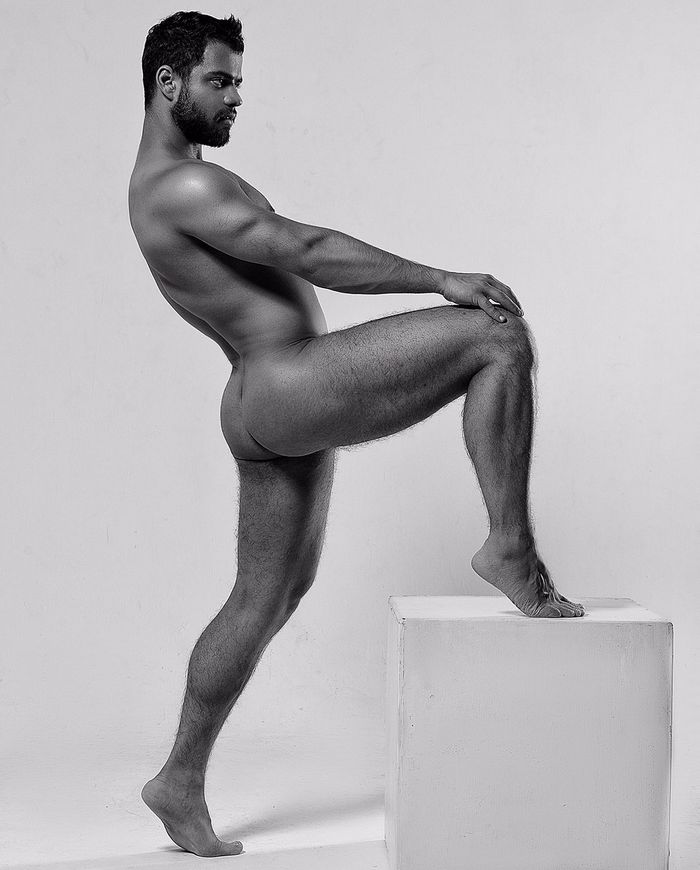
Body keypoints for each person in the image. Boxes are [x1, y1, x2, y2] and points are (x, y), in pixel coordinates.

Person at [129, 9, 585, 858]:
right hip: (285, 378)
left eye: (238, 83)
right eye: (219, 81)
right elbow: (302, 247)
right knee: (497, 339)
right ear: (168, 82)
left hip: (261, 397)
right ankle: (510, 548)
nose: (235, 99)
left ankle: (178, 780)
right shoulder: (181, 187)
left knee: (266, 597)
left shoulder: (169, 182)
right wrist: (439, 277)